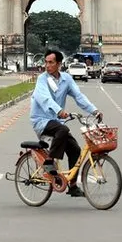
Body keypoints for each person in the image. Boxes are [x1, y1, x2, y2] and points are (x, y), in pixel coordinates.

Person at [30, 49, 102, 198]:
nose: (47, 65)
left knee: (75, 149)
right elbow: (44, 99)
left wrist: (94, 111)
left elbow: (79, 96)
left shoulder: (66, 79)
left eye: (51, 62)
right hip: (41, 120)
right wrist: (59, 111)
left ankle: (73, 186)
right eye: (46, 62)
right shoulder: (42, 79)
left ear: (59, 64)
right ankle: (49, 162)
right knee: (63, 129)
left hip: (56, 121)